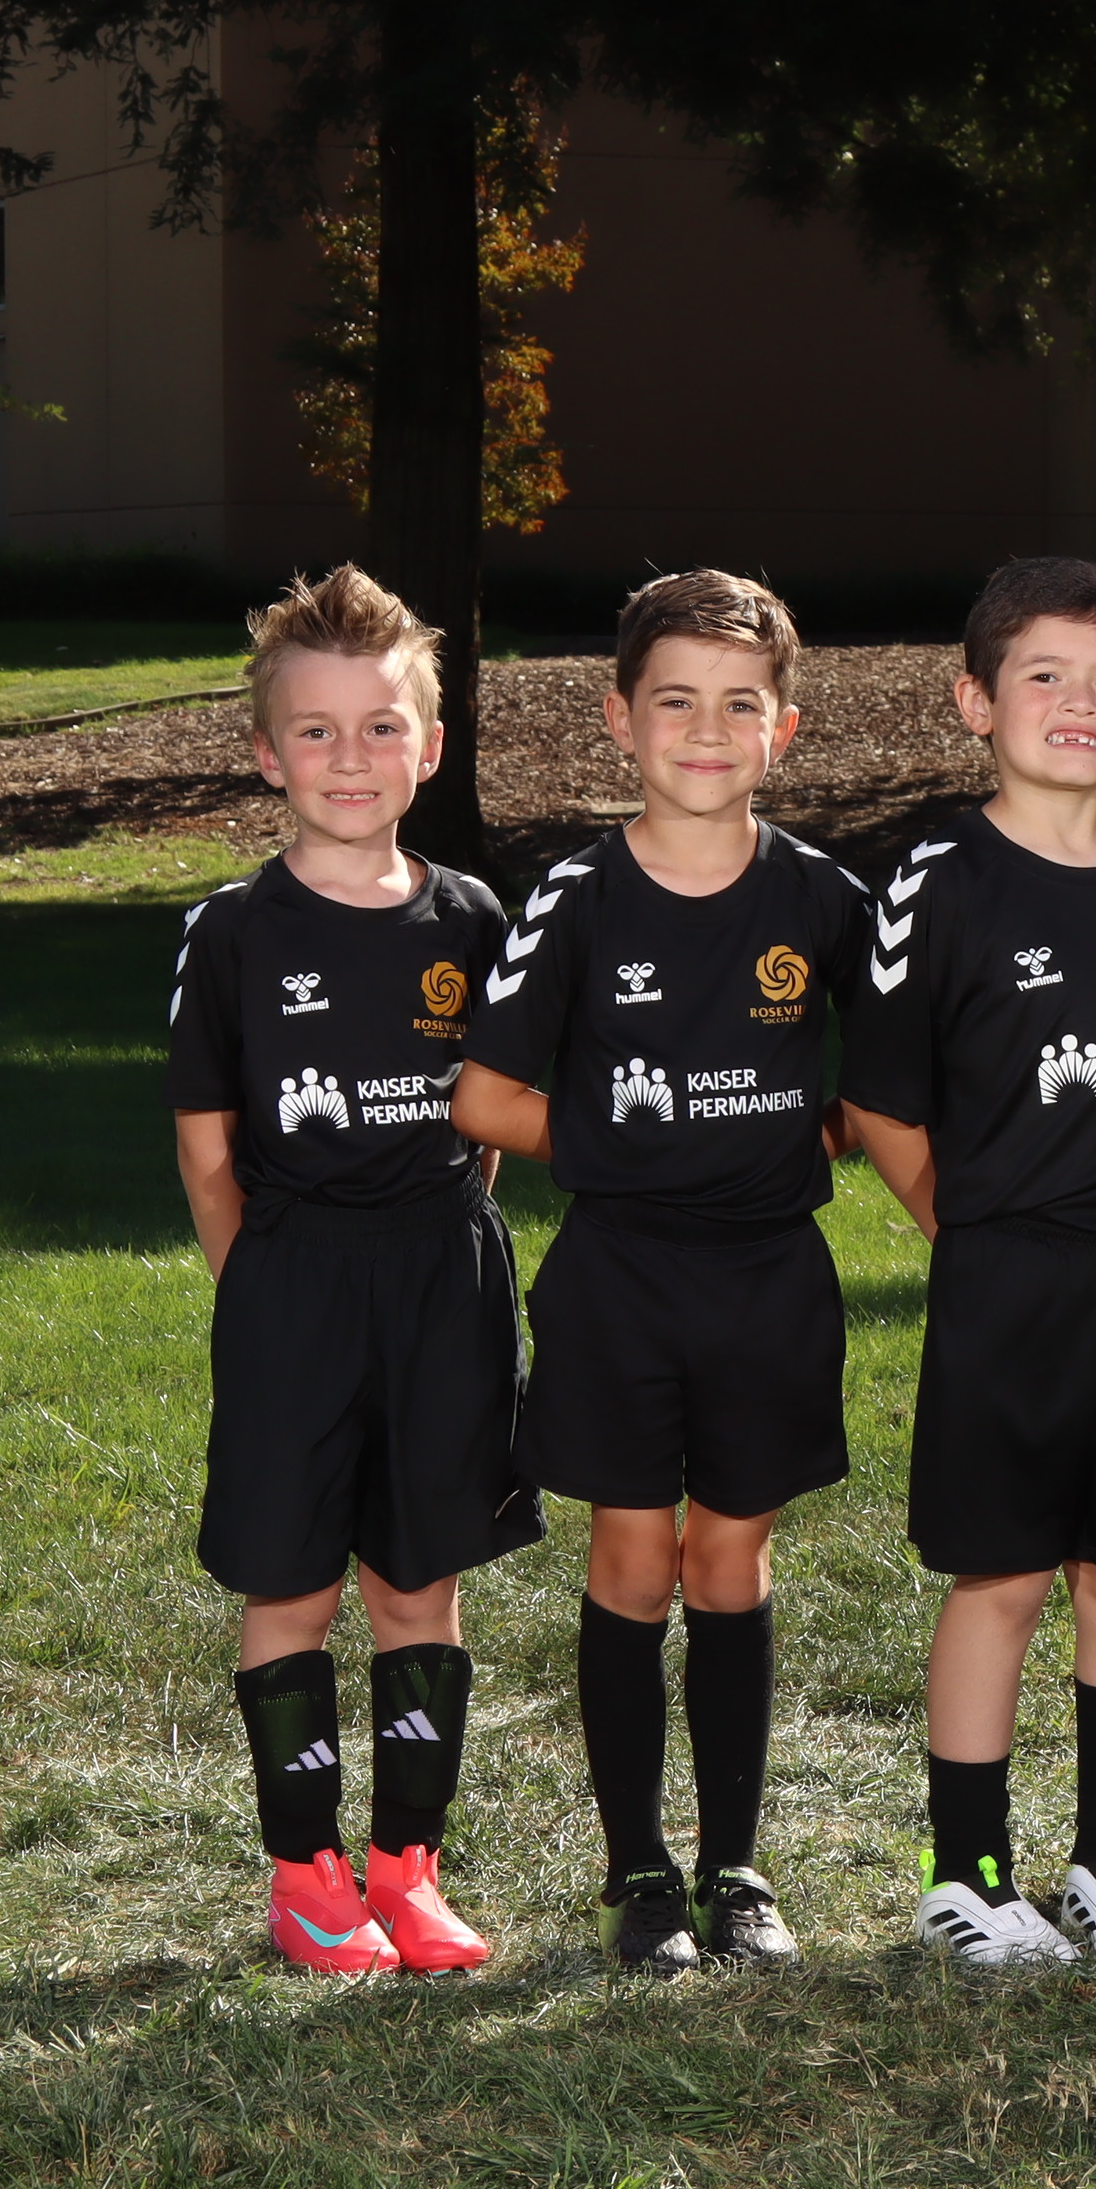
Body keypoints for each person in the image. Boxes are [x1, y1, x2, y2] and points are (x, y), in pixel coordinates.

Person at [452, 570, 873, 1978]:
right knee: (635, 1560)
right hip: (620, 1281)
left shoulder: (824, 897)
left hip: (769, 1283)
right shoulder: (577, 896)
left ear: (784, 728)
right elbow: (483, 1098)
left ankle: (737, 1866)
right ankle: (639, 1872)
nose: (706, 731)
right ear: (620, 719)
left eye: (740, 705)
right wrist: (635, 1135)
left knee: (731, 1559)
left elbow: (899, 1072)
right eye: (675, 701)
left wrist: (816, 1128)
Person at [837, 558, 1096, 1973]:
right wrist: (971, 1224)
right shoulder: (937, 879)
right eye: (1044, 675)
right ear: (975, 701)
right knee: (999, 1579)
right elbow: (881, 1100)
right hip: (1012, 1280)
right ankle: (966, 1874)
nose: (1079, 702)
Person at [163, 565, 537, 1977]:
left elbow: (491, 1122)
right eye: (315, 730)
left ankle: (407, 1870)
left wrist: (444, 1245)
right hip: (292, 1287)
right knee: (291, 1586)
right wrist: (261, 1289)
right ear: (269, 753)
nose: (350, 756)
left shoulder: (474, 919)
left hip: (442, 1283)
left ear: (429, 747)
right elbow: (207, 1151)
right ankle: (306, 1877)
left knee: (418, 1584)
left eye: (381, 726)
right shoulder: (233, 932)